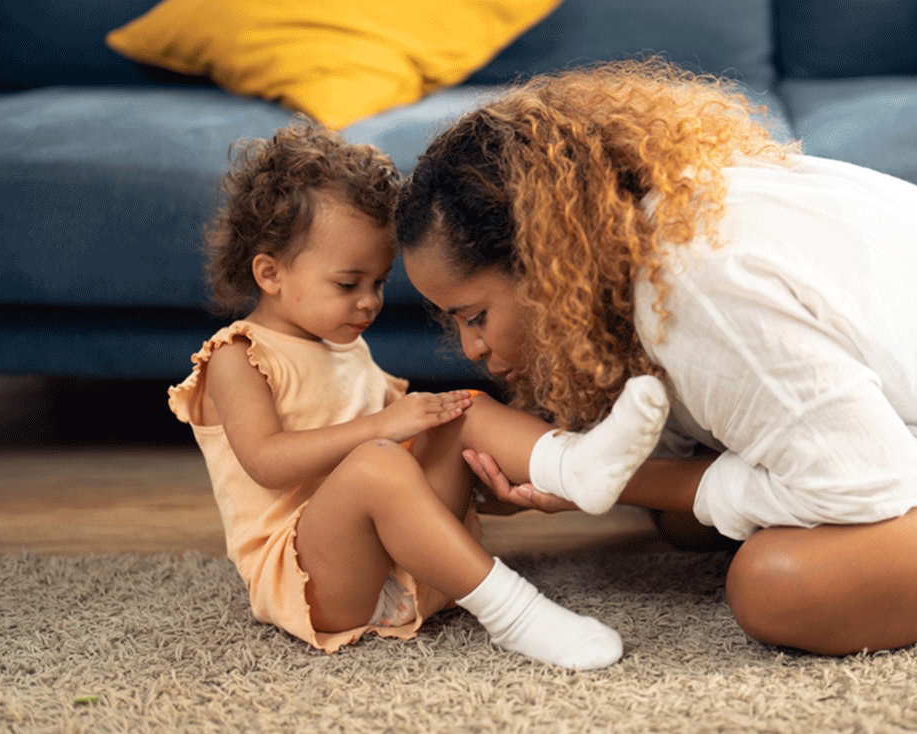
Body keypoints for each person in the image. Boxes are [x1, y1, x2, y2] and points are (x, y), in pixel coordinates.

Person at [395, 60, 917, 656]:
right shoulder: (666, 212)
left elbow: (864, 486)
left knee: (779, 586)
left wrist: (603, 477)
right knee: (684, 522)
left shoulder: (697, 283)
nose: (470, 349)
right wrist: (585, 471)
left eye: (473, 316)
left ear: (547, 256)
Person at [167, 121, 674, 669]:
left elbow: (404, 451)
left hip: (395, 554)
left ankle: (573, 465)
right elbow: (266, 462)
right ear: (269, 273)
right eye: (348, 284)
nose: (369, 303)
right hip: (316, 580)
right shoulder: (235, 356)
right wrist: (381, 429)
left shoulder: (343, 348)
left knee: (461, 409)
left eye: (379, 283)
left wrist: (468, 469)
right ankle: (516, 614)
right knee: (377, 461)